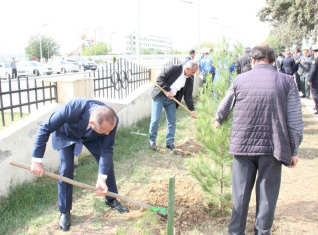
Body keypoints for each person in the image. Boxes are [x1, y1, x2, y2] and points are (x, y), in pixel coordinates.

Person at [215, 45, 303, 235]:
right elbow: (294, 119)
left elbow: (225, 104)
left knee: (240, 196)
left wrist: (218, 119)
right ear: (273, 61)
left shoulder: (240, 79)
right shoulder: (287, 81)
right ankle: (262, 232)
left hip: (242, 148)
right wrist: (294, 150)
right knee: (267, 197)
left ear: (253, 61)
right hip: (272, 148)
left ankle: (236, 232)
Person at [31, 98, 129, 231]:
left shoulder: (111, 120)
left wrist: (102, 179)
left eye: (109, 131)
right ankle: (65, 211)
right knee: (66, 168)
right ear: (92, 123)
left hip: (92, 137)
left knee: (106, 162)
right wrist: (37, 160)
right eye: (105, 131)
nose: (108, 133)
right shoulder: (73, 108)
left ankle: (111, 198)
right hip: (66, 133)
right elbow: (45, 128)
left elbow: (107, 149)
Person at [149, 60, 197, 151]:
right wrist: (168, 90)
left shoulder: (189, 79)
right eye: (193, 72)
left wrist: (192, 109)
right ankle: (152, 141)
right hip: (159, 96)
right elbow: (159, 79)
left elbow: (188, 95)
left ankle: (169, 142)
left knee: (172, 120)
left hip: (171, 100)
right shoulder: (175, 68)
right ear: (187, 69)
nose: (193, 74)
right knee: (155, 119)